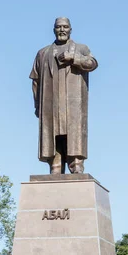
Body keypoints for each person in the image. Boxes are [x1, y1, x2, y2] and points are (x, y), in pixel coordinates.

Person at [30, 17, 98, 174]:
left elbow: (92, 63)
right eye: (58, 27)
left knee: (73, 134)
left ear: (70, 29)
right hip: (50, 104)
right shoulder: (43, 53)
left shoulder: (81, 49)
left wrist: (74, 58)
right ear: (54, 29)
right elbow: (35, 81)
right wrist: (37, 105)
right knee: (54, 136)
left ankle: (76, 166)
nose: (62, 30)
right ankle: (55, 166)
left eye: (65, 27)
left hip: (73, 103)